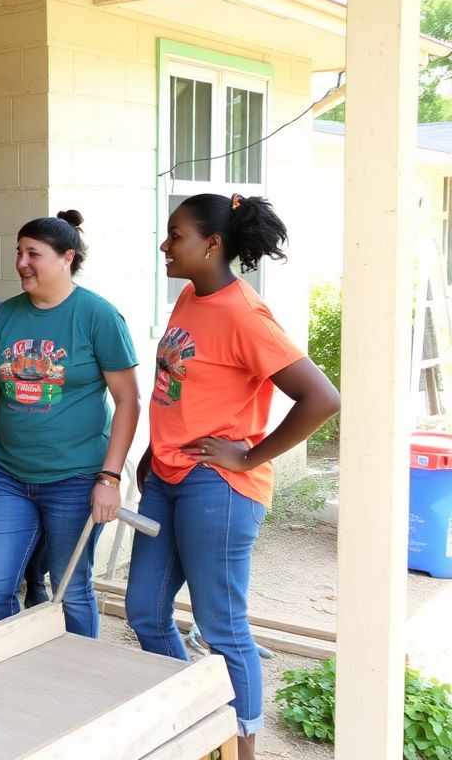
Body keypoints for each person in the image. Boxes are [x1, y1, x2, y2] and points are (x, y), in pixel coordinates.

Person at [125, 194, 340, 760]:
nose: (166, 245)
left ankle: (238, 748)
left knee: (221, 627)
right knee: (146, 611)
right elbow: (184, 387)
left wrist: (247, 456)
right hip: (166, 478)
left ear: (212, 244)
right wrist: (156, 447)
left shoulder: (245, 313)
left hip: (217, 488)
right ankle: (194, 722)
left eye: (176, 235)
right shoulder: (192, 297)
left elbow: (321, 398)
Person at [0, 211, 140, 636]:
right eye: (18, 253)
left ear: (66, 258)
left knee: (71, 589)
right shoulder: (6, 315)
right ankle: (7, 671)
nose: (22, 262)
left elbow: (128, 400)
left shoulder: (98, 315)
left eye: (33, 254)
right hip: (8, 475)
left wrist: (110, 478)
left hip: (77, 478)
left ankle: (78, 687)